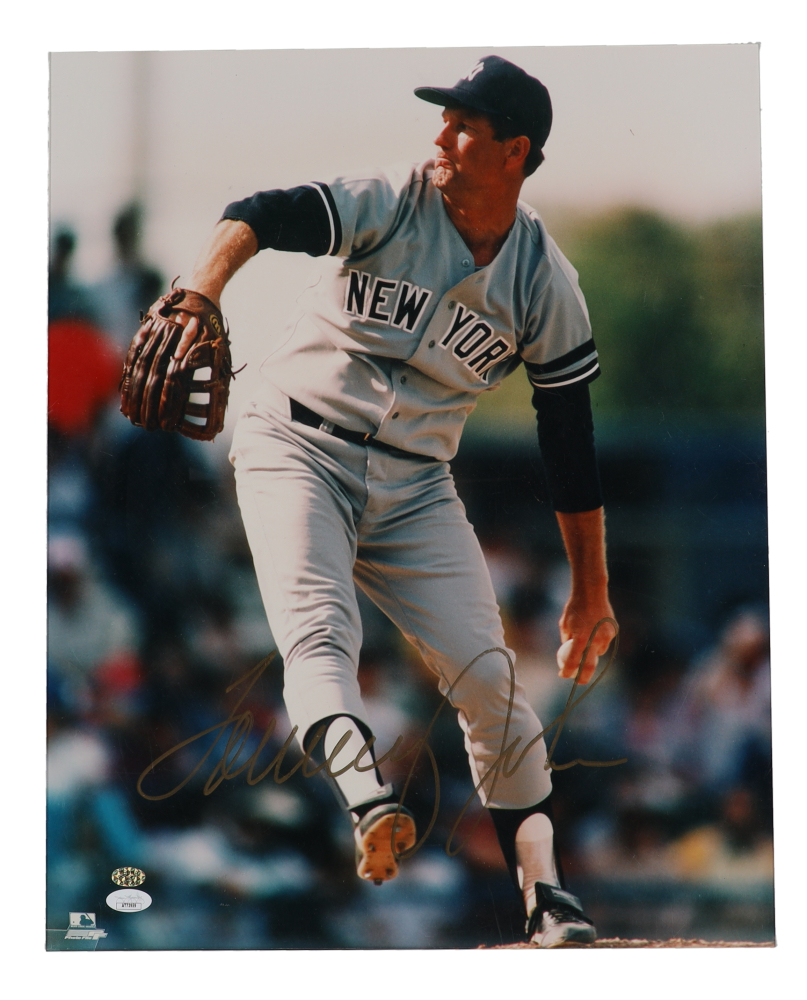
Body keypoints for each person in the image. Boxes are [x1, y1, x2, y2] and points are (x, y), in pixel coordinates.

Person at [163, 55, 616, 947]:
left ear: (515, 153)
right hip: (295, 442)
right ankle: (366, 799)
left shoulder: (543, 281)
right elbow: (260, 212)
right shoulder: (390, 199)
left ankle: (546, 895)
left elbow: (569, 443)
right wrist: (201, 285)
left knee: (487, 677)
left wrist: (591, 589)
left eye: (465, 125)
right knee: (320, 635)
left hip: (415, 484)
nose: (441, 135)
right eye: (444, 118)